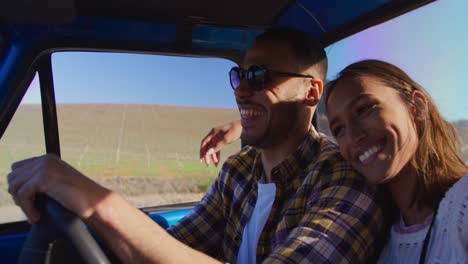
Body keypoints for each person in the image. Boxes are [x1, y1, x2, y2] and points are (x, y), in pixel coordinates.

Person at [7, 28, 385, 263]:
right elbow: (172, 244)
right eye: (238, 76)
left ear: (310, 91)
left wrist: (94, 201)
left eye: (257, 76)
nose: (241, 90)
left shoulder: (342, 178)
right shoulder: (240, 171)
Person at [200, 59, 468, 263]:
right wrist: (245, 125)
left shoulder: (462, 207)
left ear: (416, 107)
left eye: (364, 109)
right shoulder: (385, 224)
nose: (354, 136)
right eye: (339, 129)